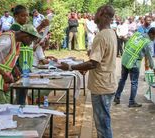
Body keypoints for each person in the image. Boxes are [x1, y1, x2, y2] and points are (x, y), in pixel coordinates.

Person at [59, 5, 117, 138]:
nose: (94, 15)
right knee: (103, 123)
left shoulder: (102, 35)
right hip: (107, 84)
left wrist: (70, 67)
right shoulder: (111, 32)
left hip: (102, 87)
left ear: (102, 13)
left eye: (96, 12)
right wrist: (86, 62)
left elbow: (93, 63)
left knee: (102, 126)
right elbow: (102, 58)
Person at [0, 24, 41, 104]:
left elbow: (8, 58)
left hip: (0, 75)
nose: (30, 43)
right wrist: (3, 73)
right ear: (25, 36)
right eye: (31, 40)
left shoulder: (17, 41)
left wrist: (15, 70)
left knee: (7, 104)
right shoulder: (7, 40)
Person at [114, 28, 155, 107]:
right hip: (134, 63)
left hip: (125, 59)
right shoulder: (148, 42)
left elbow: (126, 44)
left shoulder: (137, 35)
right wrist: (153, 68)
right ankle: (132, 102)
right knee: (134, 83)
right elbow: (150, 57)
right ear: (151, 34)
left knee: (123, 79)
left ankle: (117, 96)